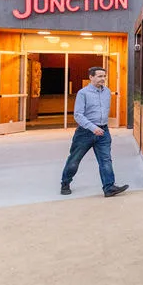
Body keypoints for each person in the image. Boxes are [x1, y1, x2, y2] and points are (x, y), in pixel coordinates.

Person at [60, 67, 128, 197]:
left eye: (104, 76)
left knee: (106, 160)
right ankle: (65, 183)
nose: (103, 79)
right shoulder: (83, 93)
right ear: (91, 77)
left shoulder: (107, 92)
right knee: (75, 159)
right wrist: (93, 128)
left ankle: (109, 187)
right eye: (99, 76)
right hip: (85, 133)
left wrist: (101, 128)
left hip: (103, 131)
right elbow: (78, 115)